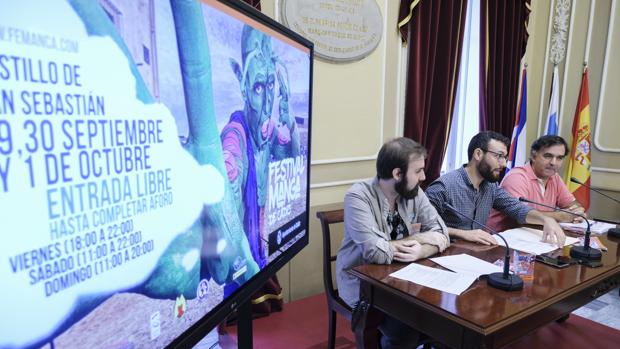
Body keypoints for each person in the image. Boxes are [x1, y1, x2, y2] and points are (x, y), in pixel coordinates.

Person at [336, 137, 449, 349]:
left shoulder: (413, 192)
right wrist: (422, 238)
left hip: (407, 280)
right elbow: (375, 253)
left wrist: (420, 252)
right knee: (404, 329)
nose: (424, 177)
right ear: (397, 174)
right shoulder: (358, 197)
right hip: (363, 284)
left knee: (445, 317)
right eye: (418, 171)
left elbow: (442, 233)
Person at [425, 131, 566, 247]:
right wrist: (462, 233)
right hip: (445, 253)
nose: (504, 164)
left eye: (504, 157)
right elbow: (422, 227)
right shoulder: (443, 187)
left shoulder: (490, 186)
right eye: (499, 156)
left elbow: (516, 208)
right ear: (478, 154)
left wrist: (546, 219)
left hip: (477, 252)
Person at [487, 135, 585, 232]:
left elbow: (572, 204)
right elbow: (519, 217)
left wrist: (577, 212)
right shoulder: (517, 177)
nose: (553, 163)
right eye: (548, 156)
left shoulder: (554, 177)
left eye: (559, 158)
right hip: (500, 239)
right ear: (534, 156)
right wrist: (560, 216)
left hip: (534, 236)